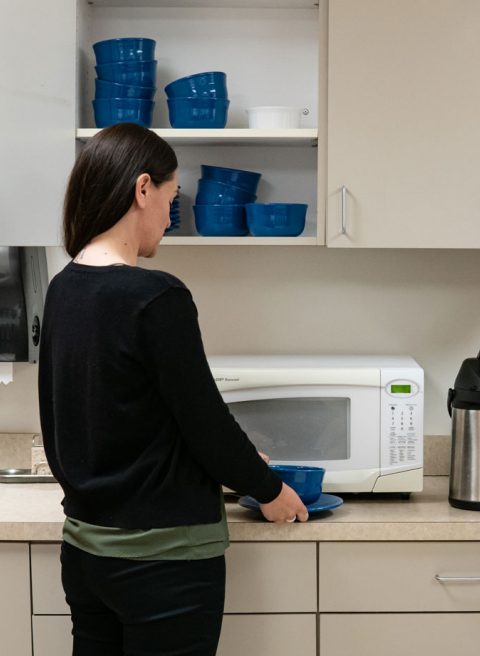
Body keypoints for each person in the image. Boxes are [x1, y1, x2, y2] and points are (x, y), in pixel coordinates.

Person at [38, 122, 309, 656]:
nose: (171, 214)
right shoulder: (155, 295)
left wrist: (227, 461)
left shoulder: (63, 287)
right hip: (164, 562)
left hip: (87, 554)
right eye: (171, 196)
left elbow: (114, 413)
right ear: (142, 189)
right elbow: (203, 419)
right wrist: (269, 488)